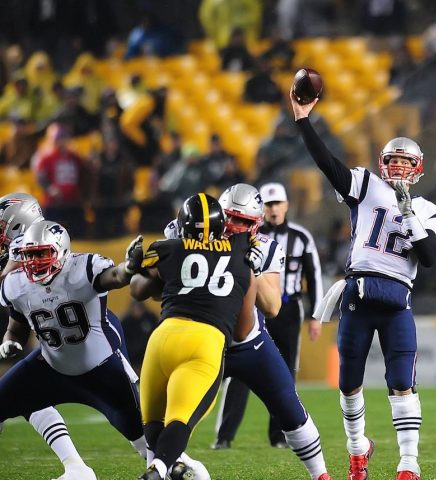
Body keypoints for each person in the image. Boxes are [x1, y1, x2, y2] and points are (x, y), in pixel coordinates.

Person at [291, 87, 436, 480]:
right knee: (348, 383)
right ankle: (358, 449)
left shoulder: (428, 209)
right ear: (382, 164)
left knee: (401, 382)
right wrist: (303, 120)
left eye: (404, 163)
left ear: (418, 168)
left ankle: (409, 464)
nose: (396, 168)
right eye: (391, 161)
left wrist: (408, 212)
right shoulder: (365, 185)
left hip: (397, 298)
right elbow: (326, 163)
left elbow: (429, 259)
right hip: (359, 293)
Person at [197, 184, 332, 480]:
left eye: (244, 221)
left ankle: (315, 468)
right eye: (231, 218)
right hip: (204, 335)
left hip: (251, 335)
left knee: (286, 394)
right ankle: (167, 459)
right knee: (176, 412)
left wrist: (315, 315)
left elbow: (273, 305)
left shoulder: (275, 244)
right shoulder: (198, 234)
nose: (235, 227)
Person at [0, 221, 146, 478]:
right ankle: (77, 469)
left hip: (100, 370)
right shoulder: (16, 283)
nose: (34, 262)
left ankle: (174, 463)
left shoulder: (82, 268)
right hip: (52, 365)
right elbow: (17, 325)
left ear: (61, 250)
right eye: (29, 255)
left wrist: (130, 267)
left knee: (142, 437)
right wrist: (11, 341)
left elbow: (114, 277)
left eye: (41, 253)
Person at [130, 193, 256, 480]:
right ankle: (159, 469)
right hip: (205, 340)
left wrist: (133, 267)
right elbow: (243, 330)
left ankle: (165, 467)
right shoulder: (243, 254)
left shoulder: (168, 248)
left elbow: (137, 291)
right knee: (180, 420)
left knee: (153, 424)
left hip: (163, 336)